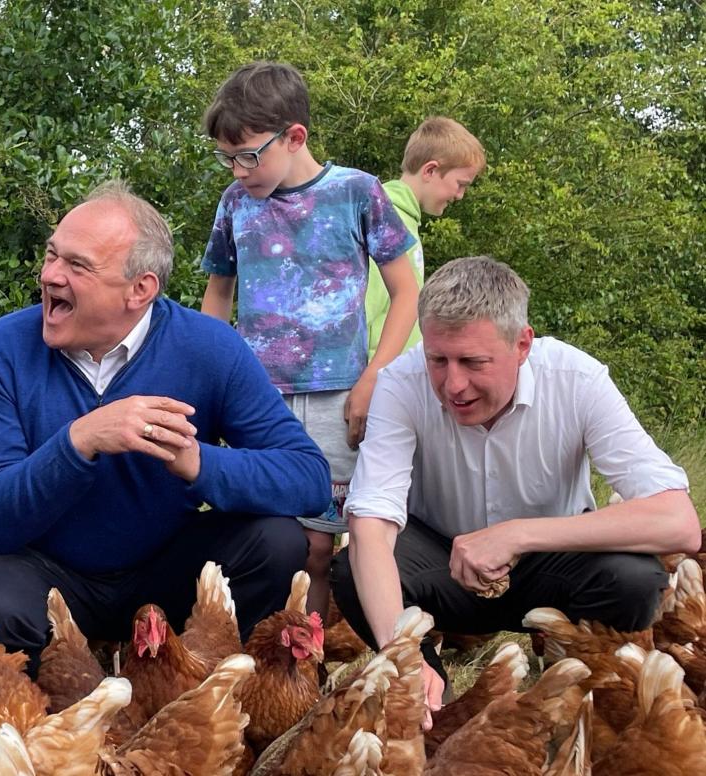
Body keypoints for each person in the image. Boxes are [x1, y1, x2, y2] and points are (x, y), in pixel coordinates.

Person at [0, 181, 330, 670]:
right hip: (44, 570)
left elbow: (308, 480)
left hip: (164, 571)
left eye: (77, 265)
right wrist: (80, 441)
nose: (50, 275)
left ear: (140, 289)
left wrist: (197, 462)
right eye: (51, 255)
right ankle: (49, 711)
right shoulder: (0, 350)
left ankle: (213, 684)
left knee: (277, 541)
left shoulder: (208, 347)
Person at [331, 255, 700, 728]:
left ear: (522, 344)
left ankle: (576, 676)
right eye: (438, 360)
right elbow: (371, 525)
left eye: (473, 362)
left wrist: (518, 534)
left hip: (552, 563)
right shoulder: (401, 384)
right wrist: (400, 653)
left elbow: (679, 522)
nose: (453, 384)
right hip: (443, 563)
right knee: (352, 568)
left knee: (634, 580)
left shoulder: (578, 380)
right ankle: (427, 696)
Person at [199, 61, 420, 617]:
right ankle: (259, 657)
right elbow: (217, 297)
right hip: (255, 397)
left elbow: (406, 294)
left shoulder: (357, 193)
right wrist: (210, 376)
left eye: (249, 154)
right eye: (226, 158)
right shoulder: (235, 204)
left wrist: (374, 378)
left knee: (322, 544)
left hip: (339, 395)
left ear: (294, 136)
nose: (238, 169)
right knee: (268, 533)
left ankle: (310, 661)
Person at [365, 117, 487, 361]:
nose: (460, 195)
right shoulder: (387, 220)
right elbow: (363, 309)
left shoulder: (403, 219)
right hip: (374, 381)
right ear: (430, 170)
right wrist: (369, 380)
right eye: (460, 184)